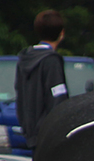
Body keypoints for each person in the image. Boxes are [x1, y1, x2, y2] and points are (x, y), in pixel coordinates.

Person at [15, 9, 69, 150]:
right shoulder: (51, 61)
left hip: (29, 134)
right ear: (61, 33)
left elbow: (19, 94)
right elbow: (57, 100)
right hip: (48, 137)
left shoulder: (24, 59)